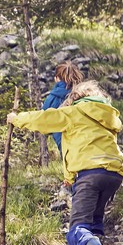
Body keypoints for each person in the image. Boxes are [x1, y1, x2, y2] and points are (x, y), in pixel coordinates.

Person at [8, 78, 123, 245]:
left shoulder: (75, 111)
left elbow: (43, 119)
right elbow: (85, 144)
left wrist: (17, 119)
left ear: (75, 97)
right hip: (114, 175)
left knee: (77, 228)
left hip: (90, 173)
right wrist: (70, 177)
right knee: (93, 222)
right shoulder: (107, 116)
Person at [42, 62, 83, 211]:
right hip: (85, 139)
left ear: (58, 78)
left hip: (64, 141)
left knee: (72, 170)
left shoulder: (53, 97)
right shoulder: (82, 92)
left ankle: (78, 207)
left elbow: (44, 122)